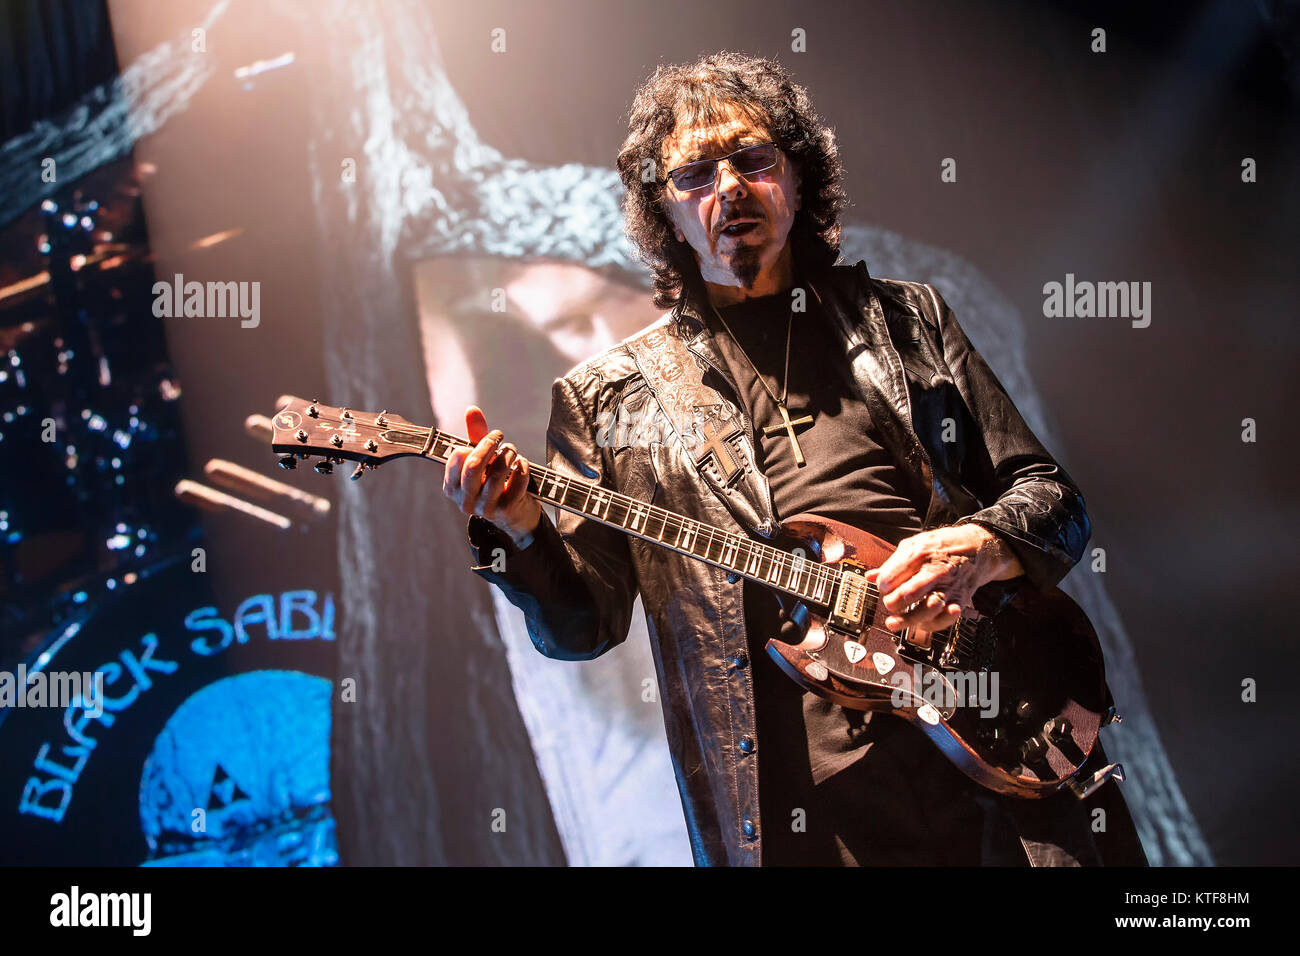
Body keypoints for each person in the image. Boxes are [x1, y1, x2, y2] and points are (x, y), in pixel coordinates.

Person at [440, 52, 1147, 867]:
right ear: (665, 214)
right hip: (811, 806)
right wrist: (521, 531)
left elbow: (1053, 499)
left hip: (999, 734)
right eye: (694, 174)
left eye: (752, 159)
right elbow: (581, 628)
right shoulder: (612, 397)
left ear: (800, 179)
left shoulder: (909, 321)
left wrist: (981, 546)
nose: (728, 188)